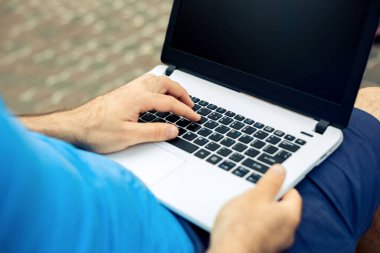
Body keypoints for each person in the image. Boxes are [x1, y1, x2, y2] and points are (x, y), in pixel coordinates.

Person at [0, 74, 379, 252]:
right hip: (203, 240)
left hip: (110, 171)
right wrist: (239, 244)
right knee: (373, 104)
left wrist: (75, 124)